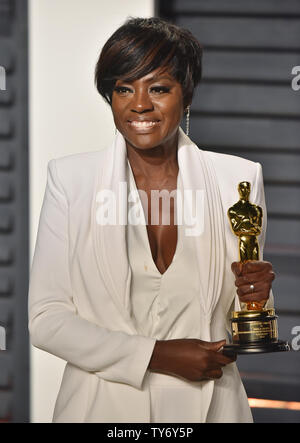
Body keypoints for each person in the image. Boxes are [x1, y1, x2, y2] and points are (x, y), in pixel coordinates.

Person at [28, 17, 275, 423]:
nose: (139, 104)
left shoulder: (238, 180)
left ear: (187, 94)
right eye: (124, 88)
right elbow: (46, 319)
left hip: (211, 408)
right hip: (100, 411)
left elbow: (244, 313)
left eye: (158, 88)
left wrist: (258, 292)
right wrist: (156, 356)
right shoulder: (71, 181)